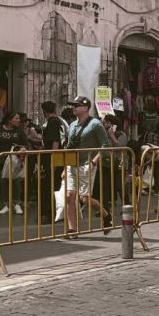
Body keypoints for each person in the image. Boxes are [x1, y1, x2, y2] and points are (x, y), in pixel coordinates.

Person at [65, 96, 111, 239]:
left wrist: (94, 161)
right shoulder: (72, 125)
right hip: (71, 164)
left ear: (85, 108)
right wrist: (64, 167)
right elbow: (69, 147)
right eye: (73, 105)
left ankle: (105, 214)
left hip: (87, 164)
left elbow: (105, 145)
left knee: (84, 198)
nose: (73, 108)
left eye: (76, 105)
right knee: (69, 195)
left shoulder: (95, 124)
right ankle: (72, 230)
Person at [0, 112, 29, 215]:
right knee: (3, 181)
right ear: (9, 120)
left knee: (16, 182)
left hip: (15, 161)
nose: (19, 120)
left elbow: (26, 145)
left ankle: (17, 203)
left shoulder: (20, 132)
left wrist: (21, 151)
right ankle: (7, 204)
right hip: (0, 160)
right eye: (16, 118)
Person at [39, 101, 64, 224]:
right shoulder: (59, 121)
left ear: (44, 111)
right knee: (55, 186)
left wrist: (53, 159)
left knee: (50, 186)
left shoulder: (53, 122)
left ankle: (50, 214)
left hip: (52, 159)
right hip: (55, 158)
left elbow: (55, 141)